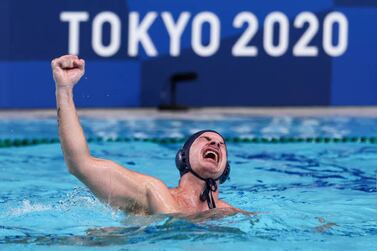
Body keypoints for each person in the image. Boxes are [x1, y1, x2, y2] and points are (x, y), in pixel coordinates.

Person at [52, 55, 240, 216]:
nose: (215, 144)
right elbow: (80, 164)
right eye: (205, 140)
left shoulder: (227, 212)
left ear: (225, 169)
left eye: (221, 144)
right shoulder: (152, 192)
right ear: (183, 158)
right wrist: (64, 89)